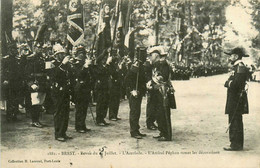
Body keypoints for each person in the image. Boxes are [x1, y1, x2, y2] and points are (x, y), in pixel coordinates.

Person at [146, 46, 176, 141]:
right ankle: (162, 132)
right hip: (158, 92)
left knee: (164, 114)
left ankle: (166, 135)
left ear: (157, 55)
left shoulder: (164, 65)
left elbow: (162, 78)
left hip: (163, 92)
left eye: (152, 55)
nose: (151, 57)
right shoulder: (157, 64)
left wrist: (152, 82)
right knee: (159, 114)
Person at [223, 47, 250, 151]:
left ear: (236, 56)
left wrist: (227, 83)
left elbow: (235, 84)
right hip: (234, 97)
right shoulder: (237, 66)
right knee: (234, 119)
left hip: (236, 98)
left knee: (235, 120)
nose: (230, 57)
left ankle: (236, 144)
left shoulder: (240, 67)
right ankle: (235, 143)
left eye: (231, 55)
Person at [50, 44, 73, 142]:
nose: (61, 55)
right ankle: (58, 133)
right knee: (59, 112)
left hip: (65, 90)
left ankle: (63, 132)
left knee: (65, 112)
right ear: (55, 55)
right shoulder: (52, 63)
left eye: (62, 53)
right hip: (57, 90)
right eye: (59, 54)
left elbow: (69, 75)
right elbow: (54, 76)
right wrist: (63, 64)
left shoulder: (66, 63)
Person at [24, 43, 47, 128]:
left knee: (40, 102)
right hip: (35, 82)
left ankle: (38, 120)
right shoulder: (31, 59)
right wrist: (31, 83)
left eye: (41, 48)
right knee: (35, 103)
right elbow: (27, 73)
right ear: (34, 48)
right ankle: (34, 121)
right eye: (38, 48)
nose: (40, 49)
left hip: (42, 82)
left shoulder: (42, 58)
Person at [125, 58, 147, 139]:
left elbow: (142, 80)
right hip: (133, 93)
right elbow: (127, 80)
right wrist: (131, 90)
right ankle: (133, 131)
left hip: (139, 92)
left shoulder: (141, 68)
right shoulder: (132, 69)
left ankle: (136, 130)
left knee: (137, 112)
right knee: (134, 112)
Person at [73, 46, 92, 133]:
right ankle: (78, 126)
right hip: (79, 88)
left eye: (83, 53)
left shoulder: (85, 63)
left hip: (86, 88)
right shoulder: (76, 64)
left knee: (84, 108)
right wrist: (85, 67)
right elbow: (79, 75)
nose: (82, 55)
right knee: (79, 108)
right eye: (80, 53)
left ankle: (82, 125)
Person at [1, 42, 22, 122]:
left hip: (16, 82)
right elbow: (2, 71)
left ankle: (14, 115)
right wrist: (5, 79)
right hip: (9, 81)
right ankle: (9, 115)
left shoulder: (17, 59)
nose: (14, 51)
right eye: (13, 49)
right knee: (9, 99)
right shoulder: (5, 59)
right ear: (10, 50)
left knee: (16, 98)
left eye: (15, 49)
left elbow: (19, 71)